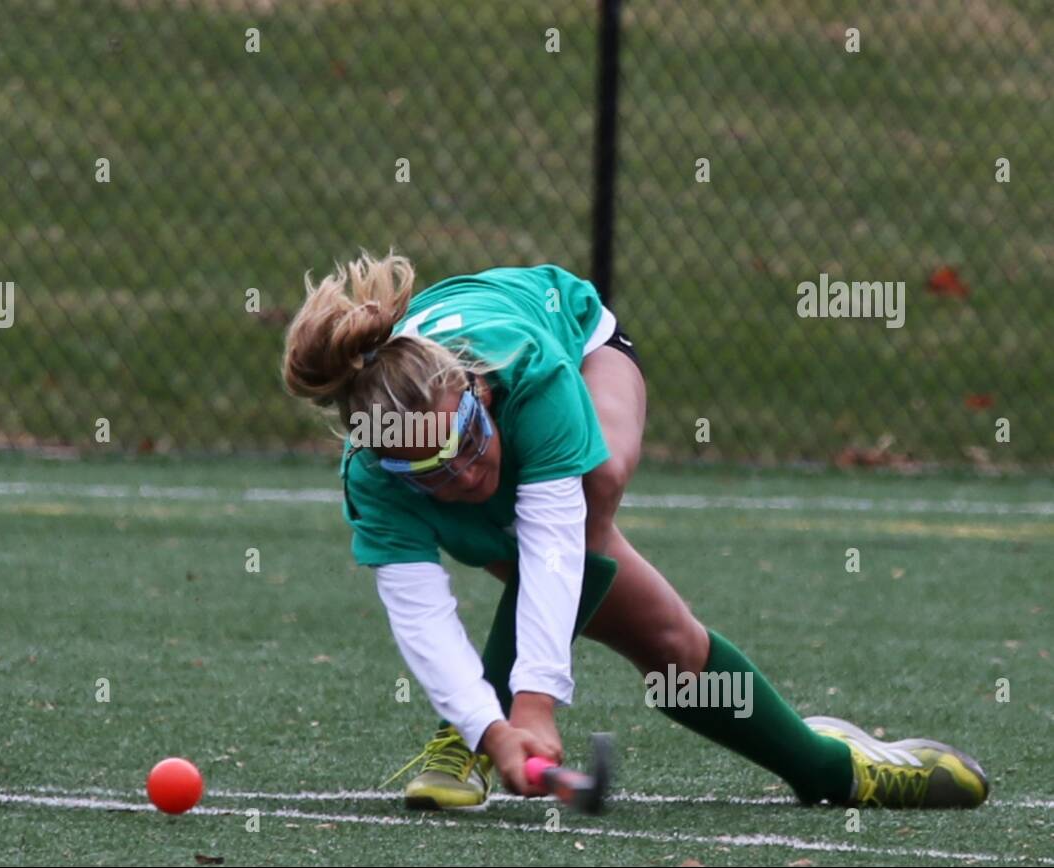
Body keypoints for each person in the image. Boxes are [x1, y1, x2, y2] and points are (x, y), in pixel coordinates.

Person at [281, 251, 989, 812]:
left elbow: (558, 544)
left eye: (468, 439)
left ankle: (841, 776)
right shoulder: (374, 477)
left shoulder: (526, 373)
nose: (465, 476)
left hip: (582, 345)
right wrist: (492, 731)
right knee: (668, 644)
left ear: (476, 394)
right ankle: (829, 765)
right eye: (429, 471)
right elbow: (423, 619)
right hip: (485, 465)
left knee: (598, 487)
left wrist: (533, 704)